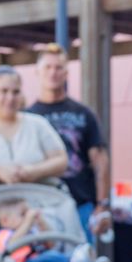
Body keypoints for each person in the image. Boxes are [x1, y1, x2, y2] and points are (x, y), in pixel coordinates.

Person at [26, 46, 113, 242]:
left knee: (83, 257)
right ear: (37, 71)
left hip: (79, 204)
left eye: (58, 68)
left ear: (66, 73)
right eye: (48, 67)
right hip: (42, 206)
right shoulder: (27, 117)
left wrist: (103, 204)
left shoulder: (83, 114)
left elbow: (100, 160)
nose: (53, 73)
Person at [0, 66, 69, 204]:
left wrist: (34, 171)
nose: (10, 98)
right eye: (4, 91)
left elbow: (61, 160)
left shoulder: (38, 125)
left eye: (16, 92)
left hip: (39, 207)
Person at [0, 196, 111, 262]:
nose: (28, 217)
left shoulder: (32, 231)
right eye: (23, 214)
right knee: (50, 257)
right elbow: (9, 246)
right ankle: (78, 260)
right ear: (5, 221)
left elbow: (51, 244)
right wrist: (28, 221)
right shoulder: (4, 234)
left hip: (42, 257)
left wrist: (41, 223)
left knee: (53, 255)